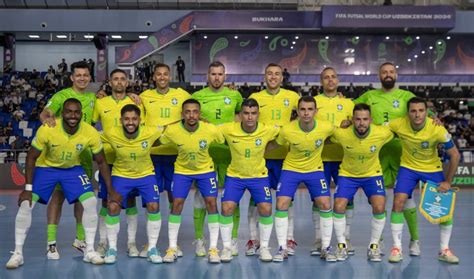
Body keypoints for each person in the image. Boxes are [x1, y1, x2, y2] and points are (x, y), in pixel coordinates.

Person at [5, 99, 112, 269]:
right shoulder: (48, 128)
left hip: (72, 169)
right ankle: (18, 253)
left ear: (81, 115)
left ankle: (89, 250)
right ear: (62, 114)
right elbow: (31, 157)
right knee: (26, 204)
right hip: (46, 168)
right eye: (69, 112)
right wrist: (27, 189)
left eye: (76, 112)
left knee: (91, 202)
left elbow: (102, 162)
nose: (73, 116)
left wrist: (111, 190)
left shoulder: (90, 132)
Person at [354, 62, 420, 256]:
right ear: (379, 75)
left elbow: (424, 113)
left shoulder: (407, 97)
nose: (388, 74)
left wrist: (435, 118)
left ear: (396, 74)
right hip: (377, 156)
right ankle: (379, 241)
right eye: (384, 72)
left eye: (391, 71)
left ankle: (415, 241)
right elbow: (352, 108)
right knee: (378, 200)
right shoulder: (369, 96)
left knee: (406, 199)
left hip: (403, 155)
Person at [387, 97, 460, 264]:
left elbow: (455, 154)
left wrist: (448, 182)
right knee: (398, 202)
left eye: (421, 111)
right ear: (408, 113)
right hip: (408, 168)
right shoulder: (398, 124)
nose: (417, 114)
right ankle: (397, 248)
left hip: (431, 169)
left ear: (427, 112)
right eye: (413, 111)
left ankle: (444, 249)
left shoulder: (437, 129)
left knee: (444, 207)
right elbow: (376, 129)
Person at [40, 61, 97, 258]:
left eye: (86, 75)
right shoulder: (61, 96)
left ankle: (80, 240)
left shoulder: (92, 98)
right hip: (60, 159)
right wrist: (47, 118)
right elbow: (46, 112)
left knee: (83, 199)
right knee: (58, 198)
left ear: (90, 78)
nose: (82, 78)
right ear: (72, 77)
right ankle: (51, 243)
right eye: (78, 75)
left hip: (84, 158)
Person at [269, 96, 336, 262]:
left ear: (316, 111)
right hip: (291, 169)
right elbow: (275, 144)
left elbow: (342, 134)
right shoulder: (287, 130)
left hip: (315, 169)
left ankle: (326, 247)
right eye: (303, 109)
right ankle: (282, 248)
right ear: (297, 111)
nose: (306, 113)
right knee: (281, 203)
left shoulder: (326, 127)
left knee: (326, 204)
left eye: (310, 109)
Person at [160, 99, 223, 264]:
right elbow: (157, 141)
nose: (191, 115)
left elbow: (224, 140)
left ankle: (214, 249)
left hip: (206, 171)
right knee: (177, 204)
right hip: (182, 171)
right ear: (182, 114)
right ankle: (172, 248)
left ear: (200, 114)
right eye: (187, 112)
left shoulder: (210, 129)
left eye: (195, 111)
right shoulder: (172, 131)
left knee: (211, 204)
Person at [139, 63, 190, 257]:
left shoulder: (182, 95)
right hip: (150, 156)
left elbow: (194, 110)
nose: (162, 77)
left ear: (170, 76)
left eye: (165, 74)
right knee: (151, 200)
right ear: (153, 77)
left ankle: (173, 244)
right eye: (158, 74)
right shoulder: (144, 97)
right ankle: (150, 243)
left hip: (175, 156)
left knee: (174, 198)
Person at [330, 103, 394, 262]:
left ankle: (374, 246)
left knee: (379, 206)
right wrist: (339, 125)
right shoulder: (342, 134)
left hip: (372, 174)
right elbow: (326, 134)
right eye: (358, 119)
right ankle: (341, 245)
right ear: (352, 120)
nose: (361, 123)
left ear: (371, 120)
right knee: (338, 205)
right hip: (348, 174)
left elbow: (403, 128)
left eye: (365, 119)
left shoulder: (382, 132)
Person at [192, 61, 243, 256]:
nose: (216, 77)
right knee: (202, 197)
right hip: (205, 155)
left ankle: (232, 239)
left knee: (232, 197)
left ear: (225, 75)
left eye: (220, 74)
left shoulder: (234, 96)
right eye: (213, 74)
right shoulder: (197, 97)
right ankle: (199, 240)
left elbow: (240, 118)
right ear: (207, 75)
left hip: (230, 155)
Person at [247, 63, 299, 256]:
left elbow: (306, 113)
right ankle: (254, 239)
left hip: (286, 158)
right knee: (256, 200)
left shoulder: (292, 96)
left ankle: (289, 238)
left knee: (286, 200)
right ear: (265, 76)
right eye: (270, 73)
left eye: (277, 74)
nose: (273, 77)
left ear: (282, 77)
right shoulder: (256, 98)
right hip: (261, 158)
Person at [102, 104, 164, 264]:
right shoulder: (110, 133)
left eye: (134, 119)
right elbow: (90, 137)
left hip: (146, 175)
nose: (130, 122)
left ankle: (152, 248)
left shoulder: (151, 132)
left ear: (140, 120)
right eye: (127, 119)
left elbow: (171, 129)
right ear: (121, 120)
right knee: (113, 207)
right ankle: (112, 249)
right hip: (121, 174)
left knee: (153, 207)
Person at [218, 98, 278, 262]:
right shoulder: (228, 129)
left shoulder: (267, 130)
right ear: (240, 115)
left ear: (258, 114)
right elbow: (208, 130)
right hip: (235, 176)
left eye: (253, 113)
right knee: (226, 207)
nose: (250, 117)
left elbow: (286, 132)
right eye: (246, 113)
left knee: (265, 208)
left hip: (258, 177)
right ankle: (226, 248)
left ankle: (264, 247)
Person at [92, 69, 143, 257]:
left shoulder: (136, 102)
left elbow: (141, 128)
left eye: (123, 79)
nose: (119, 82)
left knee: (130, 200)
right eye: (115, 79)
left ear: (127, 83)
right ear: (110, 82)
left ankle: (131, 243)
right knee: (107, 202)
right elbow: (90, 127)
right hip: (108, 160)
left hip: (130, 160)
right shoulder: (100, 102)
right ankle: (103, 242)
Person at [313, 67, 354, 255]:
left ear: (338, 80)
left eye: (333, 77)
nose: (330, 80)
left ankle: (345, 238)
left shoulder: (348, 104)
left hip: (344, 159)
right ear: (321, 81)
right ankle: (319, 238)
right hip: (319, 159)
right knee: (319, 199)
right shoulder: (314, 103)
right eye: (326, 78)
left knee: (347, 199)